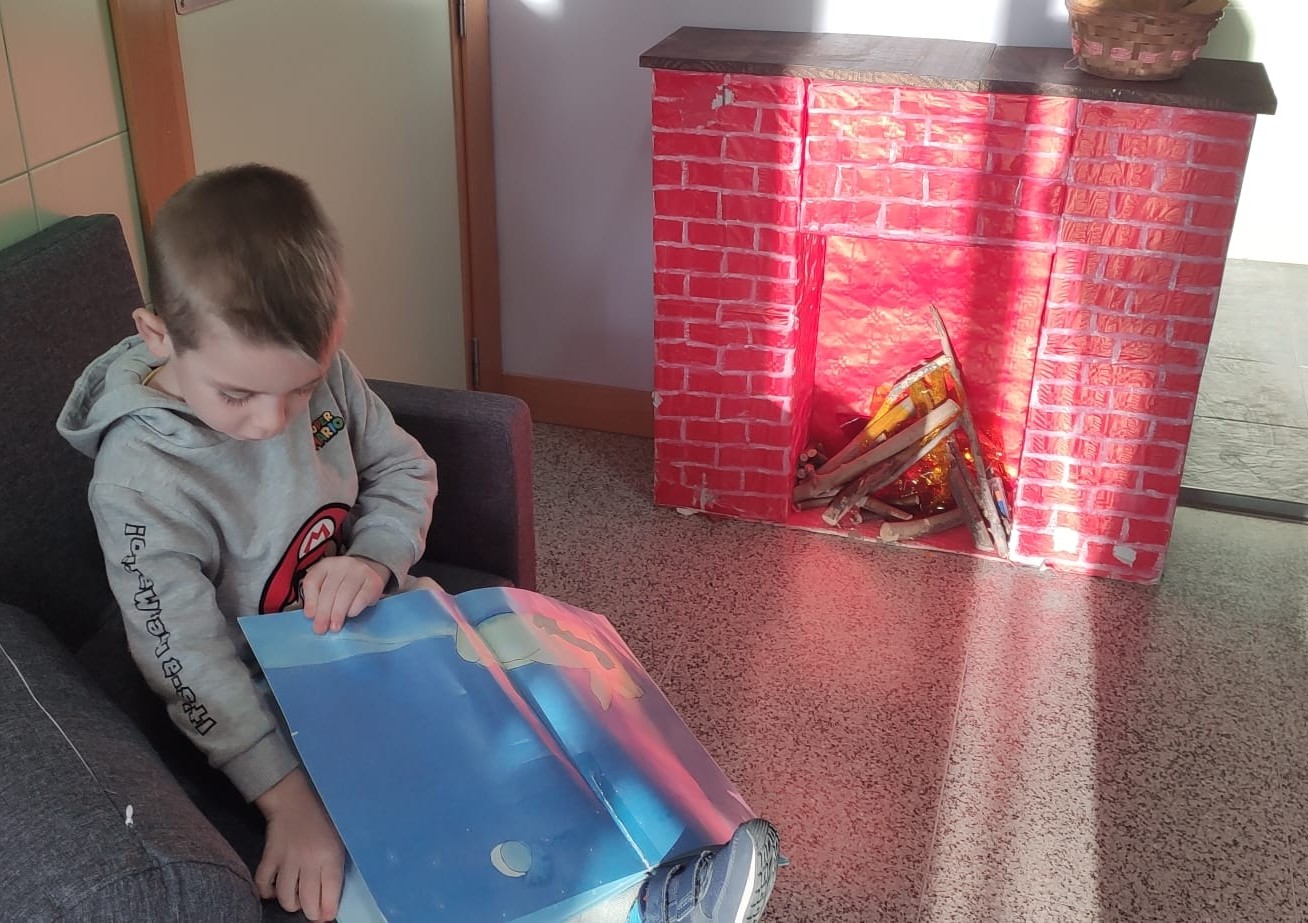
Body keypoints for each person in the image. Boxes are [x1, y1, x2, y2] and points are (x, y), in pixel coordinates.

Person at [58, 163, 780, 923]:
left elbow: (403, 467)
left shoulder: (326, 376)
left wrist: (374, 557)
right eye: (237, 395)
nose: (273, 423)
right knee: (394, 845)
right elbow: (186, 661)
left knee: (544, 690)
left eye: (298, 390)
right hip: (277, 696)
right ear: (158, 336)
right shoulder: (140, 483)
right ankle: (626, 909)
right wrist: (285, 797)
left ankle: (662, 869)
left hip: (386, 626)